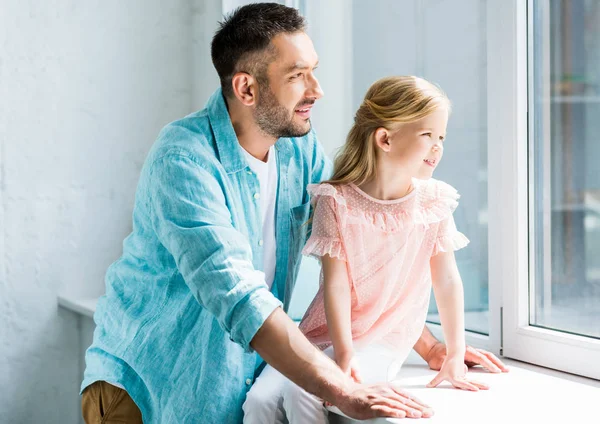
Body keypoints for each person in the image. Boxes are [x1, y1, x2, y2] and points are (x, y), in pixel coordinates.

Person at [81, 3, 506, 423]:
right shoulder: (184, 160)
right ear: (247, 89)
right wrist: (343, 388)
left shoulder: (300, 150)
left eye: (314, 70)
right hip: (144, 388)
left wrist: (430, 346)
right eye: (297, 75)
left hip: (230, 384)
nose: (316, 89)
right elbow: (239, 296)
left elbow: (360, 246)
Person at [243, 75, 505, 424]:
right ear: (385, 138)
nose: (438, 146)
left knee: (301, 391)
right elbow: (335, 285)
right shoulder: (334, 199)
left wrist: (454, 353)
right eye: (428, 135)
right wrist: (345, 353)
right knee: (259, 400)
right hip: (322, 335)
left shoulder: (433, 201)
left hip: (385, 338)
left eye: (441, 137)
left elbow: (447, 281)